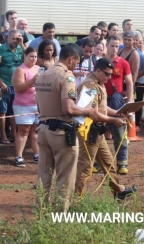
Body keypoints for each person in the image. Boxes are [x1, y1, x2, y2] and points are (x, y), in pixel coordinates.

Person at [35, 43, 94, 212]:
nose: (76, 67)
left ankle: (41, 211)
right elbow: (68, 108)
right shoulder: (66, 77)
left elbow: (39, 108)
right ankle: (61, 215)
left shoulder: (43, 75)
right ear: (71, 58)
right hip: (61, 132)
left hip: (43, 129)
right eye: (76, 63)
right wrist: (86, 110)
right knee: (65, 176)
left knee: (44, 175)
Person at [74, 58, 136, 199]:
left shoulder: (98, 83)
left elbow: (102, 107)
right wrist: (113, 120)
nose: (109, 77)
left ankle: (118, 191)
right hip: (89, 131)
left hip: (98, 131)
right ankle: (76, 199)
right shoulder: (89, 86)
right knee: (85, 167)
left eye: (111, 74)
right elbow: (93, 113)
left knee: (108, 163)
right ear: (97, 70)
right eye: (107, 74)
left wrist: (118, 112)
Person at [104, 35, 133, 174]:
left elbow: (129, 81)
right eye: (112, 46)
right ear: (107, 46)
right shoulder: (100, 62)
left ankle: (122, 163)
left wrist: (130, 101)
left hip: (117, 100)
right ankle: (98, 163)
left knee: (120, 132)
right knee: (97, 132)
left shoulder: (123, 63)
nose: (114, 49)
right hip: (101, 99)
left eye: (117, 46)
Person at [11, 47, 39, 167]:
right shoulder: (20, 70)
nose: (34, 59)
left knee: (35, 131)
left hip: (37, 105)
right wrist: (32, 81)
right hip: (23, 105)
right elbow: (18, 88)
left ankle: (37, 154)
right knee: (23, 131)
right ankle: (18, 156)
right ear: (25, 56)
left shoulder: (38, 69)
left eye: (36, 56)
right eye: (31, 56)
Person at [0, 30, 24, 144]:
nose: (16, 41)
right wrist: (1, 83)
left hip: (16, 86)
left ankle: (14, 134)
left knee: (13, 111)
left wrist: (22, 44)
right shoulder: (0, 50)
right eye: (14, 39)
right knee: (2, 111)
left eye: (18, 39)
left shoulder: (21, 48)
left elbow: (31, 57)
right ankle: (3, 135)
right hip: (4, 85)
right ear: (8, 38)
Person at [134, 30, 144, 131]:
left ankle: (137, 124)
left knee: (138, 103)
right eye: (133, 40)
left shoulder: (143, 54)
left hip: (139, 83)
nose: (135, 42)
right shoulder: (124, 50)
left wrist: (133, 79)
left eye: (137, 40)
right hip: (129, 82)